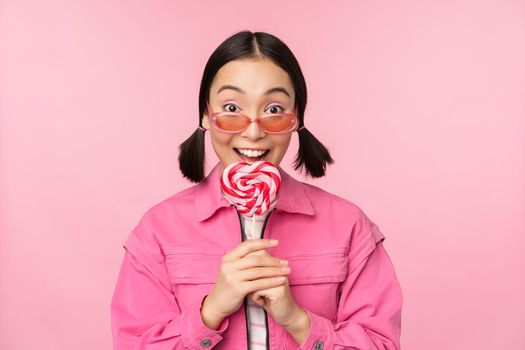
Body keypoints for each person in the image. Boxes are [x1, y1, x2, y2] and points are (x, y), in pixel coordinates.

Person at [110, 30, 403, 350]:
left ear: (296, 119)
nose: (253, 131)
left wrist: (297, 321)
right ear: (206, 115)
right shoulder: (158, 230)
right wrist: (210, 312)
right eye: (232, 108)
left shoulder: (348, 226)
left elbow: (380, 343)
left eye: (274, 109)